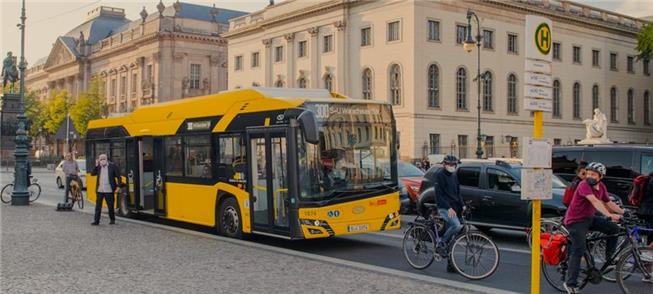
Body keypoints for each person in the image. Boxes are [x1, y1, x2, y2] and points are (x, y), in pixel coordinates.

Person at [563, 162, 624, 293]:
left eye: (593, 174)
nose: (589, 176)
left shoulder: (601, 187)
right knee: (578, 250)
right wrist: (608, 214)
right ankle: (570, 283)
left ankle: (609, 256)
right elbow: (595, 201)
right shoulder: (583, 185)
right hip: (575, 221)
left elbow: (608, 202)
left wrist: (623, 212)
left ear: (600, 176)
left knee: (614, 229)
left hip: (588, 219)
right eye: (588, 173)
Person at [434, 155, 464, 272]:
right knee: (456, 226)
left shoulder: (454, 176)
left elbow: (458, 193)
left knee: (453, 238)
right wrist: (448, 207)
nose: (451, 167)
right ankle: (440, 243)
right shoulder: (440, 175)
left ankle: (450, 266)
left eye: (453, 165)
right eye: (449, 164)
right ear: (444, 165)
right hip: (444, 208)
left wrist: (463, 205)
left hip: (454, 209)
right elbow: (439, 195)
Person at [90, 154, 122, 225]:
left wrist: (118, 186)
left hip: (109, 190)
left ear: (107, 159)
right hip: (100, 190)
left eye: (104, 158)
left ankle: (112, 219)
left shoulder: (112, 166)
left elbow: (119, 177)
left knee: (110, 206)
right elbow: (92, 174)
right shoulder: (98, 167)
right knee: (98, 206)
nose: (102, 160)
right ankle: (96, 221)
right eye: (101, 159)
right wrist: (96, 165)